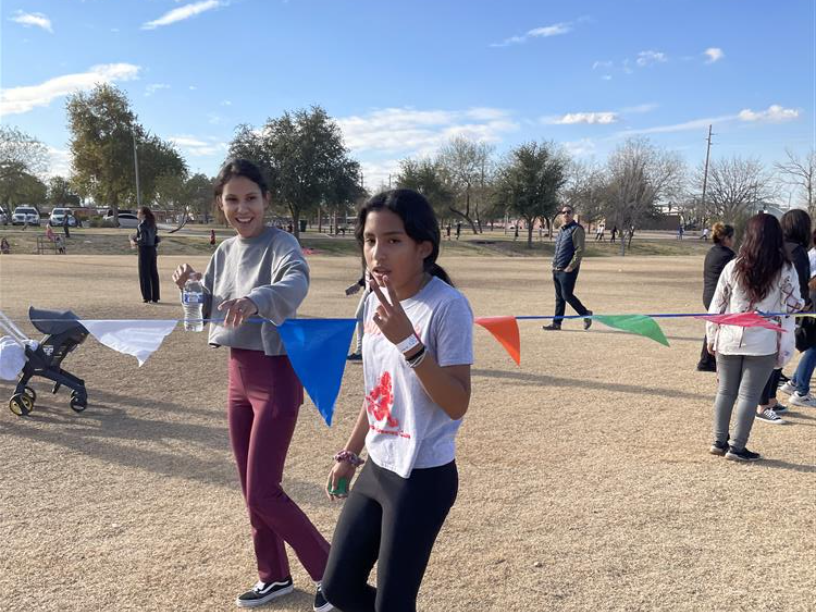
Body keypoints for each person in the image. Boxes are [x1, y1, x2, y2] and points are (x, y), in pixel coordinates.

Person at [171, 159, 332, 611]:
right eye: (232, 200)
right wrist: (193, 288)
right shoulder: (223, 252)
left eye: (251, 199)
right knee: (249, 487)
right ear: (220, 204)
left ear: (266, 201)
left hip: (276, 373)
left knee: (264, 488)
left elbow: (294, 283)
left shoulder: (283, 244)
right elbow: (212, 306)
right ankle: (274, 576)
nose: (242, 209)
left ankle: (334, 574)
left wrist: (255, 298)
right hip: (237, 374)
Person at [321, 189, 473, 612]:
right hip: (379, 464)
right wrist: (350, 454)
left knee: (393, 603)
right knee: (336, 588)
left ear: (423, 247)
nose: (377, 253)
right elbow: (379, 391)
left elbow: (457, 402)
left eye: (392, 240)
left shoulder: (448, 307)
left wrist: (410, 343)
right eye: (369, 240)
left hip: (422, 476)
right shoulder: (373, 301)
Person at [706, 213, 803, 461]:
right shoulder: (784, 269)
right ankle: (737, 447)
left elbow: (717, 306)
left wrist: (711, 336)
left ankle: (719, 441)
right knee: (748, 396)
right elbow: (792, 305)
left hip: (730, 336)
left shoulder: (733, 266)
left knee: (725, 392)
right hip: (762, 341)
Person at [778, 210, 816, 408]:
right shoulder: (803, 253)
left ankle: (795, 383)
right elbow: (807, 283)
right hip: (805, 307)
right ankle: (800, 388)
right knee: (813, 346)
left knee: (811, 345)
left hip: (803, 306)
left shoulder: (804, 251)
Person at [543, 205, 592, 331]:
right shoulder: (562, 230)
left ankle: (586, 313)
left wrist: (571, 266)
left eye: (568, 212)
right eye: (563, 212)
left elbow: (579, 251)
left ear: (573, 214)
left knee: (567, 295)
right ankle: (556, 323)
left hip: (568, 270)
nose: (565, 214)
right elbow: (559, 249)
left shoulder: (577, 229)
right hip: (557, 268)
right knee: (559, 297)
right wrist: (554, 264)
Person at [697, 222, 736, 372]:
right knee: (719, 326)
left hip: (708, 294)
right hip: (717, 296)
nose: (733, 241)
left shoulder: (712, 251)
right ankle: (708, 360)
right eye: (732, 238)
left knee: (715, 325)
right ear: (726, 238)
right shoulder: (728, 255)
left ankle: (707, 360)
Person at [130, 206, 161, 304]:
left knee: (144, 274)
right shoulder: (153, 225)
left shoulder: (142, 225)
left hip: (144, 251)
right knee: (153, 273)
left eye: (138, 213)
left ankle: (147, 297)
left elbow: (143, 239)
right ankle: (155, 297)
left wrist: (133, 241)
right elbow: (156, 239)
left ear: (143, 214)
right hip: (153, 250)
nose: (137, 215)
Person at [346, 265, 371, 361]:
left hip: (381, 289)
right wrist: (359, 284)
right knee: (359, 316)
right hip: (369, 289)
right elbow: (370, 270)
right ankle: (360, 351)